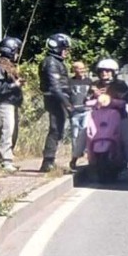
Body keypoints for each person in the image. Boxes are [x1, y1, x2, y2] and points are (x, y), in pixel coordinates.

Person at [73, 58, 128, 174]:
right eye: (102, 71)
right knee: (84, 132)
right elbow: (86, 99)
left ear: (114, 72)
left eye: (108, 71)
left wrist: (117, 99)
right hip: (98, 118)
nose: (104, 73)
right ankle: (75, 157)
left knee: (127, 138)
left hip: (119, 116)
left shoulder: (120, 84)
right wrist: (93, 95)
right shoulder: (95, 85)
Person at [39, 33, 73, 173]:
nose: (66, 52)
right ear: (57, 48)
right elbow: (55, 87)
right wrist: (67, 103)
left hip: (58, 99)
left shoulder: (56, 62)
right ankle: (48, 162)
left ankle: (50, 161)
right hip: (55, 100)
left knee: (58, 130)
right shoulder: (51, 62)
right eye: (64, 49)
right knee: (55, 129)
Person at [0, 37, 23, 173]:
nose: (17, 54)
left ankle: (4, 159)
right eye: (16, 50)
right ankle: (6, 161)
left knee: (13, 132)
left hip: (12, 104)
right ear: (10, 50)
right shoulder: (0, 67)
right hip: (5, 105)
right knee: (7, 132)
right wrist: (14, 84)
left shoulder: (8, 65)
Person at [67, 61, 92, 171]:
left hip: (87, 111)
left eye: (83, 68)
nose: (81, 70)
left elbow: (92, 94)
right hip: (75, 112)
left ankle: (89, 158)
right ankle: (75, 158)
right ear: (74, 69)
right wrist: (68, 106)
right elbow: (66, 95)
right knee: (75, 136)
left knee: (86, 133)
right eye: (78, 68)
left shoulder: (89, 81)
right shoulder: (70, 82)